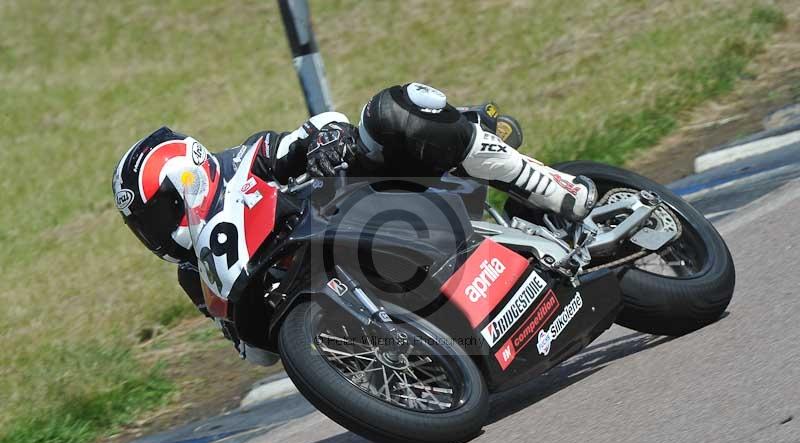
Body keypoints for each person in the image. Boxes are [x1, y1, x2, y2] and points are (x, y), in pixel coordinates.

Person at [112, 83, 597, 362]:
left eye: (156, 216)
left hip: (378, 202)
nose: (155, 235)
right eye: (144, 228)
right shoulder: (195, 277)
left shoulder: (243, 162)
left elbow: (317, 128)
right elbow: (256, 354)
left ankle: (560, 191)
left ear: (186, 181)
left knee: (395, 110)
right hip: (343, 288)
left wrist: (324, 142)